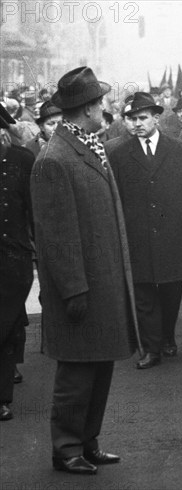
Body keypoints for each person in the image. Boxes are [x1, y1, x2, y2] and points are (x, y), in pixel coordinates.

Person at [30, 66, 141, 475]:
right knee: (77, 372)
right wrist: (73, 288)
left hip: (103, 281)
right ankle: (66, 448)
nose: (106, 108)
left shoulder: (87, 146)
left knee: (100, 366)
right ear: (88, 109)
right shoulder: (55, 159)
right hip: (81, 288)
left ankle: (88, 441)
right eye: (102, 103)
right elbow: (56, 235)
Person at [109, 92, 182, 369]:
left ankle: (167, 337)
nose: (137, 124)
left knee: (171, 289)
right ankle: (151, 348)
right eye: (132, 119)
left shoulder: (179, 150)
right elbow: (113, 198)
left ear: (156, 117)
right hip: (137, 235)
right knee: (143, 292)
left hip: (173, 234)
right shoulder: (117, 154)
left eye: (143, 118)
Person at [0, 105, 35, 422]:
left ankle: (2, 397)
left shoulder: (22, 160)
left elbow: (35, 210)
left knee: (7, 323)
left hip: (14, 257)